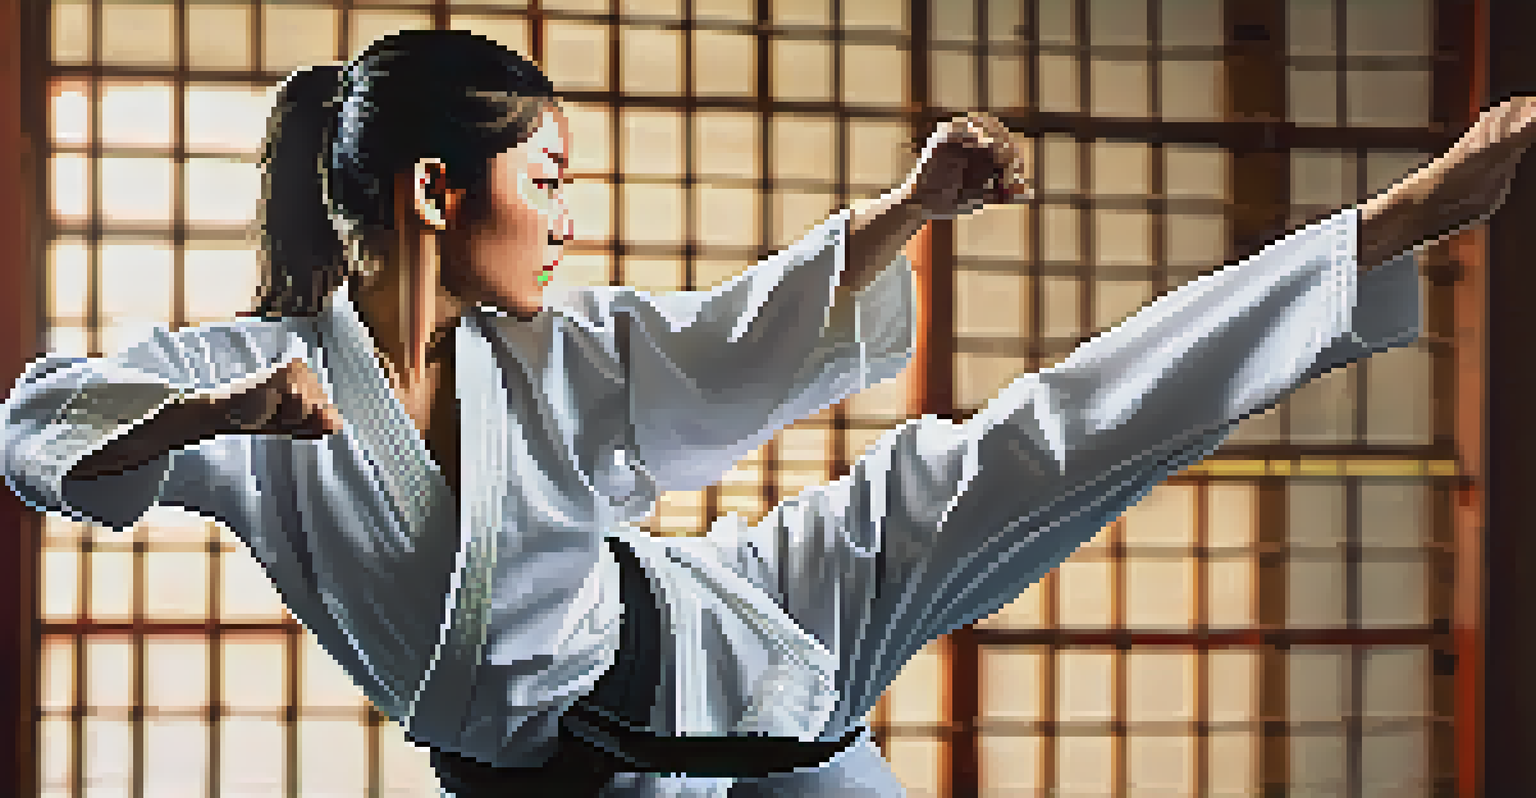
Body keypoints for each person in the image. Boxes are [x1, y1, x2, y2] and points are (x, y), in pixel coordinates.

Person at [2, 28, 1531, 798]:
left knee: (1027, 442)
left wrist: (913, 205)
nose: (569, 221)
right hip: (658, 768)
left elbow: (734, 343)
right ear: (431, 191)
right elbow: (34, 424)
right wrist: (198, 421)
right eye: (548, 182)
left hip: (726, 605)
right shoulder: (255, 388)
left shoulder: (540, 347)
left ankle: (1378, 236)